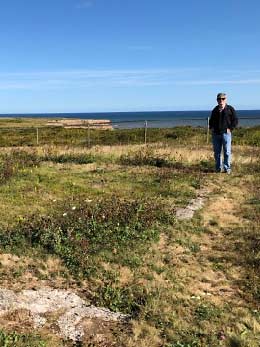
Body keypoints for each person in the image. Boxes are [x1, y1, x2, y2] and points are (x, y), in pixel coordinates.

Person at [209, 93, 238, 174]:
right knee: (217, 153)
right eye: (219, 99)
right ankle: (218, 169)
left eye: (223, 98)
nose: (221, 100)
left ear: (226, 99)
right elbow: (211, 121)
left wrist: (230, 128)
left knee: (227, 152)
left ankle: (227, 169)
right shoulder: (215, 109)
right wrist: (212, 128)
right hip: (216, 134)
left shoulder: (230, 109)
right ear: (217, 100)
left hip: (226, 134)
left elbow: (235, 120)